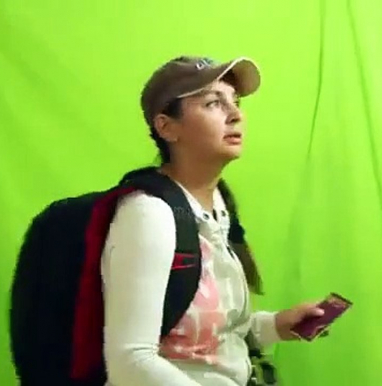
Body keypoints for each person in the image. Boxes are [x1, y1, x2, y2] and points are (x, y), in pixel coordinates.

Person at [100, 56, 323, 386]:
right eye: (213, 103)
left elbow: (210, 341)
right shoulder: (149, 214)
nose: (235, 115)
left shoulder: (218, 205)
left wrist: (276, 325)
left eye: (235, 102)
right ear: (167, 127)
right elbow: (130, 360)